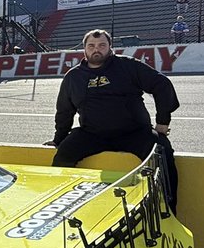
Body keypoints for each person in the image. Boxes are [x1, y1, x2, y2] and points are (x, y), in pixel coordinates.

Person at [47, 29, 180, 211]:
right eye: (91, 46)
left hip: (134, 133)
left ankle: (168, 211)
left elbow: (161, 84)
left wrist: (162, 122)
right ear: (84, 49)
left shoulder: (127, 66)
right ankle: (59, 209)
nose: (97, 50)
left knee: (162, 153)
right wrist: (58, 139)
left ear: (110, 47)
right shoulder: (73, 77)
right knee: (63, 154)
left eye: (102, 45)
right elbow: (64, 111)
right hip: (92, 134)